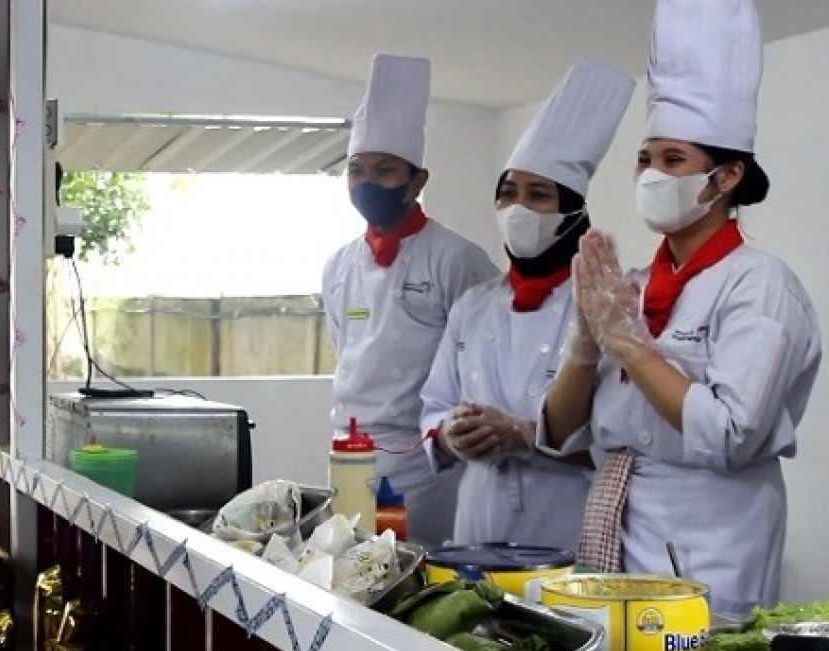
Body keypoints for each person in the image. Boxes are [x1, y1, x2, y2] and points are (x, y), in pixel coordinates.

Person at [539, 0, 821, 615]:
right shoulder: (631, 286)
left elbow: (729, 434)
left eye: (673, 161)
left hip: (713, 543)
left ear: (725, 178)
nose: (650, 174)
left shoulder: (760, 285)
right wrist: (587, 344)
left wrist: (633, 346)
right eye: (645, 158)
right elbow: (560, 432)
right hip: (622, 530)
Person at [419, 59, 634, 551]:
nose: (518, 208)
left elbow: (624, 442)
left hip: (569, 521)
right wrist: (453, 434)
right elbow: (434, 406)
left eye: (539, 195)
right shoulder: (474, 306)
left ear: (573, 212)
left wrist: (527, 434)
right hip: (478, 520)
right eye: (508, 194)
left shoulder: (605, 306)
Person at [323, 54, 499, 546]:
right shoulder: (338, 265)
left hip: (425, 462)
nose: (368, 183)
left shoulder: (457, 258)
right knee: (352, 572)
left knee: (420, 583)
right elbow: (345, 346)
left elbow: (487, 357)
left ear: (417, 180)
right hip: (348, 451)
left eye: (385, 171)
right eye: (357, 171)